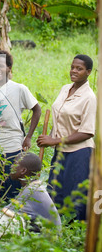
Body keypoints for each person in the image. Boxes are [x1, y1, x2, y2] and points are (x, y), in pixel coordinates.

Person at [0, 50, 41, 205]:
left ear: (9, 69)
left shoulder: (19, 89)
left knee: (10, 188)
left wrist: (29, 137)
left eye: (1, 66)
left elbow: (37, 110)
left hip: (12, 145)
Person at [37, 54, 97, 221]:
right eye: (72, 67)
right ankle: (55, 227)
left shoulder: (90, 98)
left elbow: (87, 132)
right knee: (55, 191)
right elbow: (60, 118)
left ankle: (74, 233)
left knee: (75, 195)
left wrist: (54, 141)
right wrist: (48, 138)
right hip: (61, 150)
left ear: (88, 72)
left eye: (79, 68)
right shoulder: (65, 88)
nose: (74, 71)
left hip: (80, 153)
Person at [5, 152, 61, 229]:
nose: (11, 166)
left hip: (48, 238)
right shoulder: (35, 186)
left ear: (23, 170)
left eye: (14, 164)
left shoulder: (30, 191)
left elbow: (4, 213)